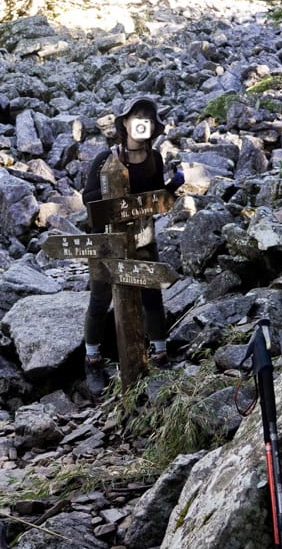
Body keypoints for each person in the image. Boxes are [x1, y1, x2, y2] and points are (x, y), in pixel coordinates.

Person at [81, 96, 184, 395]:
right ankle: (93, 360)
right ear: (124, 123)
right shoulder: (106, 158)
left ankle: (160, 354)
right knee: (100, 299)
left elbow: (154, 199)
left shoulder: (155, 158)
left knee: (152, 294)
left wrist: (171, 187)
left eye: (148, 118)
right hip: (106, 240)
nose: (143, 122)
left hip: (143, 236)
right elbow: (88, 199)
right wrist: (118, 204)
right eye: (137, 116)